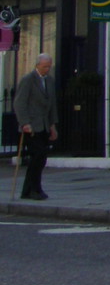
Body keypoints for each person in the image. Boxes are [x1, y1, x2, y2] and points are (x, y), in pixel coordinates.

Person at [14, 54, 57, 200]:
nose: (47, 69)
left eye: (49, 66)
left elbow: (51, 105)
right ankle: (35, 189)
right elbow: (20, 103)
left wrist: (52, 126)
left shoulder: (49, 81)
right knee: (38, 155)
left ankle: (27, 190)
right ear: (37, 65)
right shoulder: (28, 80)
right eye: (45, 66)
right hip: (31, 126)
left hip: (44, 125)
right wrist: (24, 123)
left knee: (39, 158)